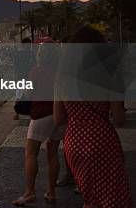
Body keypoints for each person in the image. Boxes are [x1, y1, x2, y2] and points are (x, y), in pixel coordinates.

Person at [53, 26, 132, 208]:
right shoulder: (107, 76)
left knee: (89, 199)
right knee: (113, 197)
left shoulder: (62, 77)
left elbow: (58, 119)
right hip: (101, 142)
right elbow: (119, 119)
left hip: (73, 144)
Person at [12, 44, 63, 206]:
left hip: (41, 114)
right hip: (59, 114)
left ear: (41, 55)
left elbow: (28, 93)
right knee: (53, 153)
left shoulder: (37, 71)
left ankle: (29, 193)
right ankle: (51, 192)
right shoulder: (60, 72)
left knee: (31, 153)